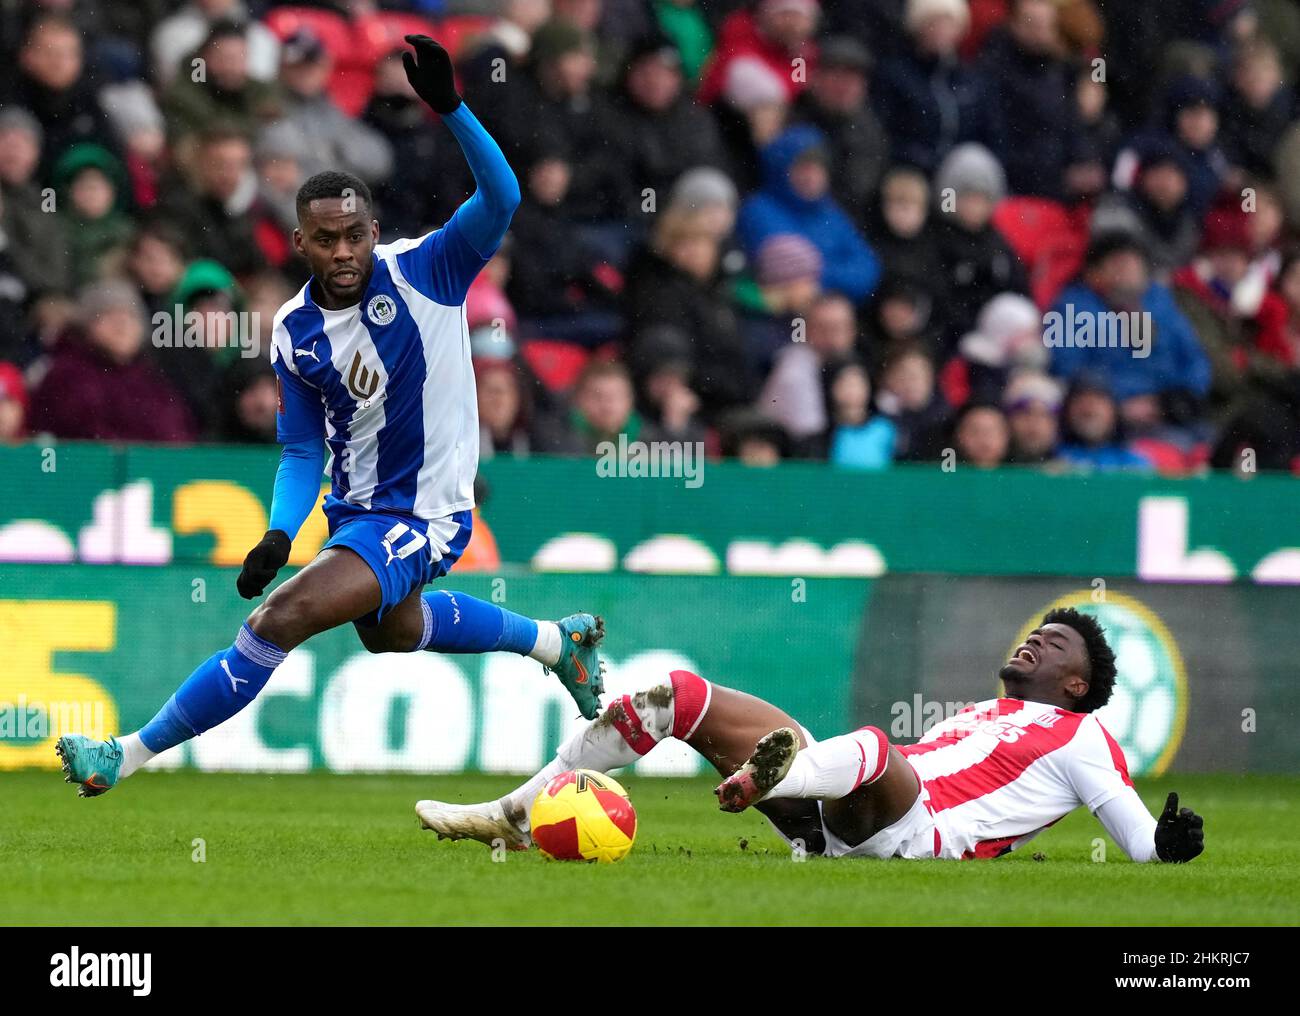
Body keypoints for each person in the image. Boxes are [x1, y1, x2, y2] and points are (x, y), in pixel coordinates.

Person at [54, 37, 607, 800]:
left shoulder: (429, 271)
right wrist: (281, 530)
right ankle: (556, 643)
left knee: (285, 617)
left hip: (427, 509)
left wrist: (450, 108)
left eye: (355, 235)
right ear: (300, 240)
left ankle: (125, 752)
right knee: (393, 631)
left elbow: (503, 198)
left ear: (373, 232)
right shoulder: (291, 329)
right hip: (356, 511)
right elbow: (301, 446)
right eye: (326, 238)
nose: (343, 250)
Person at [418, 608, 1206, 865]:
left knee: (875, 747)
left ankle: (776, 779)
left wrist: (1168, 843)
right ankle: (515, 814)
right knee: (675, 698)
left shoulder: (1082, 737)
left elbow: (1140, 846)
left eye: (1055, 646)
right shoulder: (985, 713)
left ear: (1077, 685)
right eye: (1039, 632)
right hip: (843, 811)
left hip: (915, 836)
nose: (1035, 642)